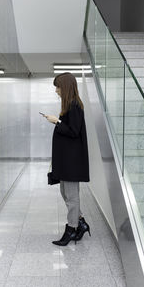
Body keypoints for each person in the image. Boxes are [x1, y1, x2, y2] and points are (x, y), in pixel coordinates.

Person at [44, 72, 91, 246]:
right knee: (65, 193)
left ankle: (71, 229)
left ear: (66, 87)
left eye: (58, 87)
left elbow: (73, 131)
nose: (56, 90)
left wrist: (57, 122)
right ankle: (81, 223)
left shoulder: (75, 105)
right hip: (66, 160)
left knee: (71, 196)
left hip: (72, 161)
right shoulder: (69, 105)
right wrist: (57, 121)